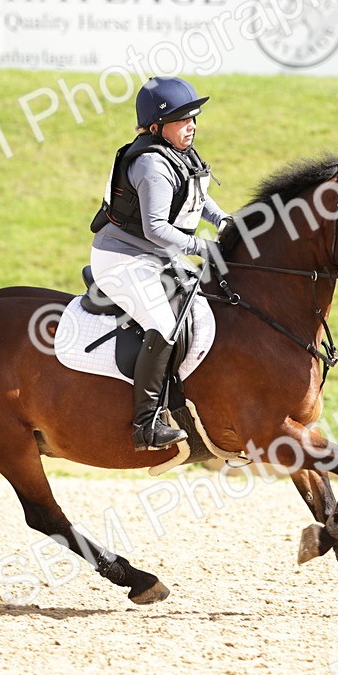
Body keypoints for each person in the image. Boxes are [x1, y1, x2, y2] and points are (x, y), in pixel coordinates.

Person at [89, 77, 230, 451]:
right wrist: (202, 245)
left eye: (194, 118)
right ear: (156, 127)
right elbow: (155, 229)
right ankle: (146, 424)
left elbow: (195, 197)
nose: (192, 126)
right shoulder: (152, 164)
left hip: (155, 256)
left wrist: (223, 221)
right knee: (165, 324)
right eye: (183, 120)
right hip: (122, 259)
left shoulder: (179, 152)